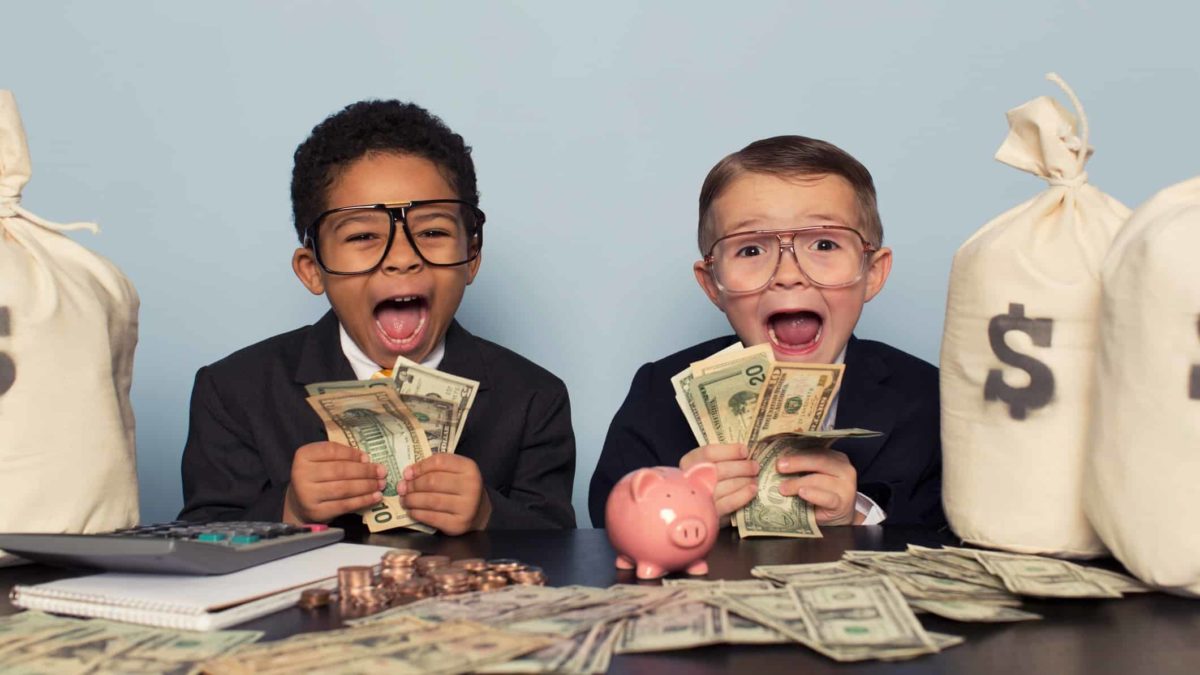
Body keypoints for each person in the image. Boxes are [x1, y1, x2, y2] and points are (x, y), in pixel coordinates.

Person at [180, 100, 576, 534]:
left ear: (472, 257)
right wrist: (289, 508)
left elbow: (561, 548)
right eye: (364, 235)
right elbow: (203, 536)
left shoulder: (535, 398)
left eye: (432, 232)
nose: (402, 258)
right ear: (313, 270)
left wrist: (488, 515)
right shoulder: (234, 392)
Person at [588, 135, 943, 529]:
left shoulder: (931, 398)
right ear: (712, 284)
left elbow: (954, 532)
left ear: (872, 273)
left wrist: (859, 516)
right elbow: (606, 520)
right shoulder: (660, 392)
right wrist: (673, 507)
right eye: (751, 250)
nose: (788, 276)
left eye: (824, 243)